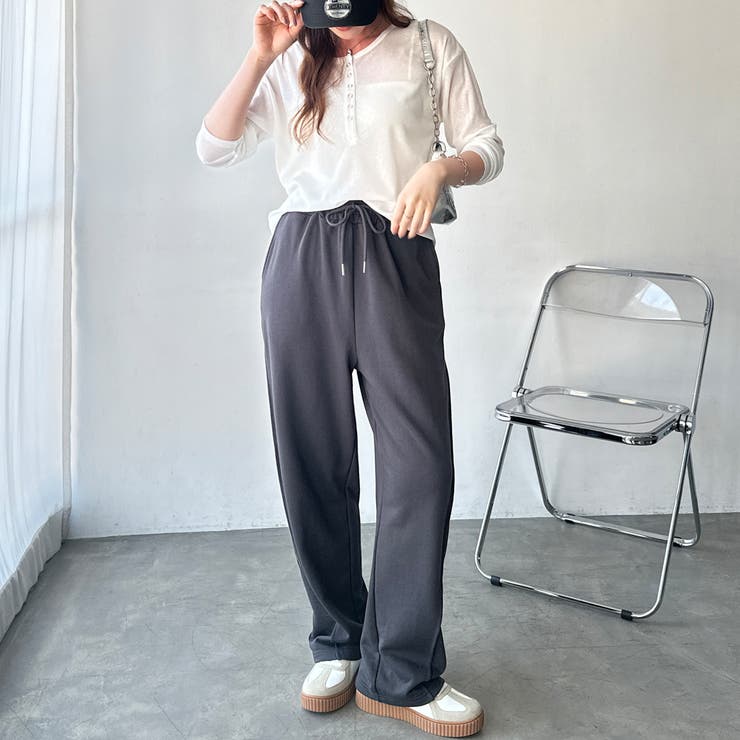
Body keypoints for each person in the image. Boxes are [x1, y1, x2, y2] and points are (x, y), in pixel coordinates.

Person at [195, 1, 504, 736]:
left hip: (396, 253)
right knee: (313, 457)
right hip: (301, 259)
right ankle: (337, 638)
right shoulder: (292, 56)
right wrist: (262, 55)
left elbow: (487, 146)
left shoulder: (429, 45)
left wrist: (439, 168)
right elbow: (213, 147)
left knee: (420, 465)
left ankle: (401, 668)